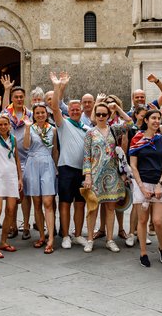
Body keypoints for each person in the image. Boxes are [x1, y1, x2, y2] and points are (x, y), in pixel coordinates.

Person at [128, 110, 162, 266]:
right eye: (153, 118)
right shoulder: (136, 139)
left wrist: (160, 185)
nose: (156, 121)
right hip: (142, 183)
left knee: (158, 221)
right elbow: (133, 165)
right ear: (146, 120)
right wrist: (141, 187)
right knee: (142, 220)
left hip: (160, 182)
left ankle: (161, 248)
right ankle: (143, 252)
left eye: (158, 118)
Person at [50, 72, 88, 248]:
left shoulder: (87, 128)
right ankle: (65, 235)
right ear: (69, 111)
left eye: (77, 109)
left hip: (82, 170)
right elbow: (55, 107)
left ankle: (78, 234)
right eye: (72, 109)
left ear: (81, 111)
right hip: (66, 168)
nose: (74, 111)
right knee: (65, 202)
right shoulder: (63, 124)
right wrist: (58, 86)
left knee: (80, 204)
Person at [82, 102, 126, 253]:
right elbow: (86, 157)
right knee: (93, 207)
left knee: (110, 207)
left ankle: (110, 239)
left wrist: (117, 109)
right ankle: (89, 239)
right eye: (98, 114)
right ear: (95, 115)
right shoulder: (90, 133)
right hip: (95, 175)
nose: (101, 117)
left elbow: (131, 123)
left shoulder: (114, 129)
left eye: (104, 114)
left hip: (112, 174)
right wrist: (87, 176)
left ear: (108, 115)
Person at [0, 75, 33, 239]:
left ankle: (26, 225)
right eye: (16, 97)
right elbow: (3, 110)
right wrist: (6, 89)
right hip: (10, 160)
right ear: (12, 99)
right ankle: (12, 225)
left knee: (26, 195)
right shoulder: (8, 115)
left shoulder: (31, 115)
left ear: (24, 98)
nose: (19, 99)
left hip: (27, 159)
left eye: (21, 97)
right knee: (11, 194)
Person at [23, 103, 59, 254]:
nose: (40, 115)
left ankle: (51, 237)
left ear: (46, 114)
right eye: (37, 113)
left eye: (42, 113)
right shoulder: (30, 128)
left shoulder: (53, 129)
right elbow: (25, 146)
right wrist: (26, 128)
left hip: (47, 164)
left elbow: (55, 150)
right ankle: (42, 236)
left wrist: (56, 168)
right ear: (34, 114)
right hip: (32, 163)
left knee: (48, 202)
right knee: (36, 202)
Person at [0, 110, 22, 258]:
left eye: (5, 124)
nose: (2, 126)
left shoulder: (13, 139)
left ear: (9, 125)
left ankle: (3, 241)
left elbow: (17, 159)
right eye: (0, 124)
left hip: (12, 177)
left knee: (10, 210)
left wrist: (20, 178)